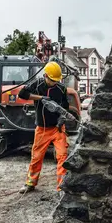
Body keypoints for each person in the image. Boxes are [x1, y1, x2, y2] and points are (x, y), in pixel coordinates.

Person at [17, 61, 69, 197]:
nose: (54, 83)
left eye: (56, 80)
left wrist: (61, 120)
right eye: (52, 80)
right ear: (46, 76)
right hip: (42, 129)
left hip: (58, 129)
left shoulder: (61, 89)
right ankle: (30, 183)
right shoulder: (37, 84)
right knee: (36, 157)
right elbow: (22, 94)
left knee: (62, 156)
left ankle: (61, 187)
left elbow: (65, 108)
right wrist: (40, 98)